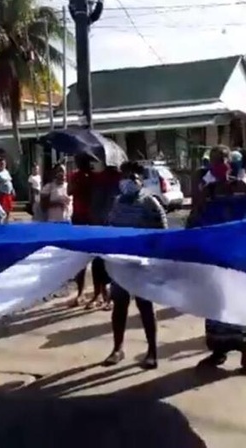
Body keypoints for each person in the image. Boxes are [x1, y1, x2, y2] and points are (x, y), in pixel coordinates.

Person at [189, 145, 246, 378]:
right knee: (215, 306)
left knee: (240, 306)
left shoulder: (240, 186)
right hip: (214, 257)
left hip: (238, 257)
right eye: (214, 161)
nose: (219, 164)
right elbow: (195, 219)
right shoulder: (208, 190)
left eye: (222, 160)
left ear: (230, 163)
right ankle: (218, 352)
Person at [102, 161, 167, 369]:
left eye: (132, 176)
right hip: (121, 262)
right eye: (125, 175)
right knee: (119, 305)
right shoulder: (118, 202)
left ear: (140, 179)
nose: (127, 180)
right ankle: (117, 349)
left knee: (145, 306)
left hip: (141, 263)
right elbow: (110, 228)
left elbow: (162, 231)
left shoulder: (150, 202)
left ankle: (152, 352)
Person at [68, 154, 116, 309]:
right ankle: (81, 292)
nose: (79, 162)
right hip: (78, 219)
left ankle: (100, 294)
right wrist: (78, 182)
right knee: (79, 258)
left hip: (94, 220)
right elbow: (69, 191)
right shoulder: (76, 176)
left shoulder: (96, 179)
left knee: (98, 259)